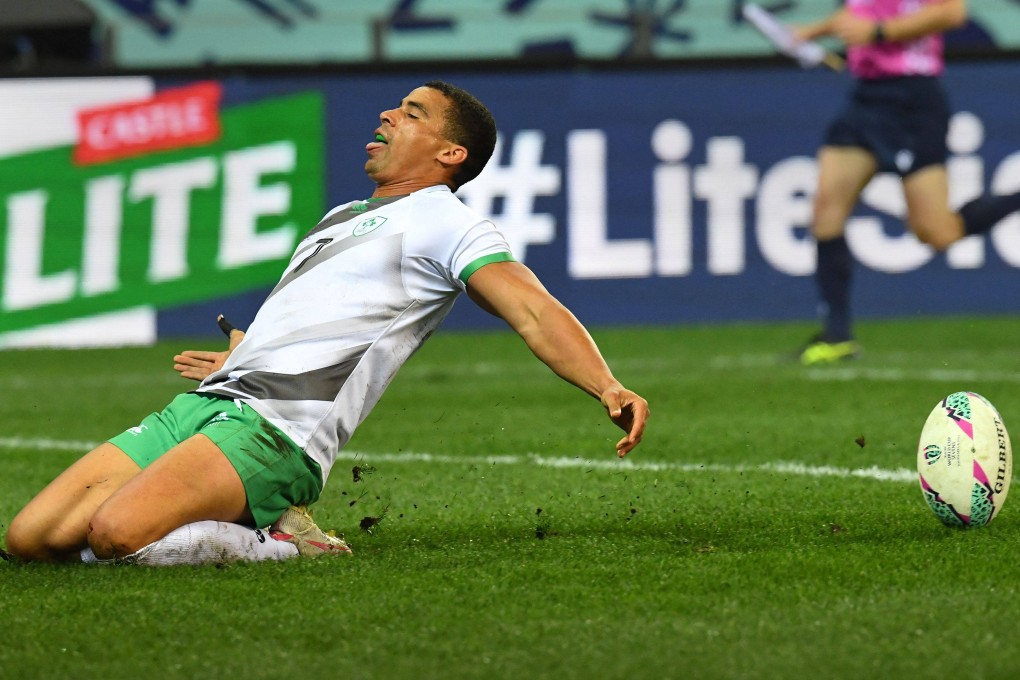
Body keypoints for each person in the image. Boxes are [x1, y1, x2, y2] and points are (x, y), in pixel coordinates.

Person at [3, 80, 649, 566]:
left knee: (114, 535)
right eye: (395, 106)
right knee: (29, 539)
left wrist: (606, 384)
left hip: (276, 431)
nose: (387, 115)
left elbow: (532, 308)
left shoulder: (449, 222)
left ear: (451, 152)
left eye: (412, 113)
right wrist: (245, 351)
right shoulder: (339, 217)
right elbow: (315, 320)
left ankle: (282, 538)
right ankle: (250, 512)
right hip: (207, 406)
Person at [795, 0, 1020, 365]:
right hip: (866, 99)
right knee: (825, 213)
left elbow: (952, 13)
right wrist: (810, 32)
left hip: (912, 100)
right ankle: (837, 337)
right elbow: (861, 14)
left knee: (937, 232)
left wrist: (880, 33)